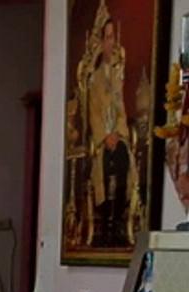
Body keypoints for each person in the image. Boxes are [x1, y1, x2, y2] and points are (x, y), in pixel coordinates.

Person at [88, 16, 131, 246]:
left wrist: (118, 134)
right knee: (105, 164)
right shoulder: (95, 79)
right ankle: (105, 224)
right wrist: (105, 137)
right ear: (101, 41)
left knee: (123, 159)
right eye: (107, 37)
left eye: (113, 37)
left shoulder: (118, 75)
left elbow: (121, 110)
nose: (110, 42)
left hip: (118, 135)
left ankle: (119, 221)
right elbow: (93, 113)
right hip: (102, 140)